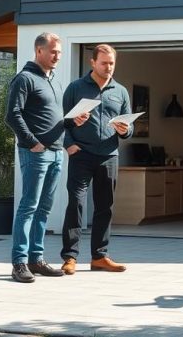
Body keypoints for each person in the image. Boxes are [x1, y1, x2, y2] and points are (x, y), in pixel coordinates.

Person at [5, 32, 74, 283]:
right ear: (39, 51)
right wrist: (32, 142)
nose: (57, 56)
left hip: (56, 152)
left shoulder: (53, 80)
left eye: (60, 52)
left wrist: (71, 121)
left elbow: (52, 118)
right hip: (36, 153)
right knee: (29, 207)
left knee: (44, 208)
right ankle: (19, 263)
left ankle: (37, 259)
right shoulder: (24, 79)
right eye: (54, 51)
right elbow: (12, 115)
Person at [60, 44, 133, 274]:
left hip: (109, 155)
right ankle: (70, 257)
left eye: (112, 63)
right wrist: (69, 145)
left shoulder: (120, 91)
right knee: (76, 203)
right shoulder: (75, 88)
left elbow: (130, 128)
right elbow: (61, 122)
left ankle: (100, 257)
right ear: (92, 63)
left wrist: (125, 130)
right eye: (104, 63)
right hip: (81, 154)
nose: (109, 67)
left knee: (105, 206)